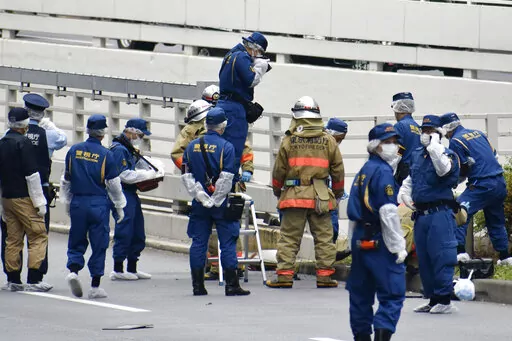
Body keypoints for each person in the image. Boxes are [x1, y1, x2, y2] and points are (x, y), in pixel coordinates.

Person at [266, 96, 345, 289]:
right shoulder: (328, 140)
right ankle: (325, 276)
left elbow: (279, 170)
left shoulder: (289, 140)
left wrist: (278, 189)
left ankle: (284, 276)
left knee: (289, 238)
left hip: (294, 195)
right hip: (320, 196)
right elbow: (338, 170)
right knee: (324, 238)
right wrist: (336, 192)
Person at [346, 123, 407, 341]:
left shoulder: (364, 170)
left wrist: (350, 242)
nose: (393, 147)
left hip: (360, 237)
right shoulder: (382, 172)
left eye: (395, 142)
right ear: (376, 146)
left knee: (360, 294)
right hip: (378, 239)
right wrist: (398, 246)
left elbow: (352, 209)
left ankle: (361, 336)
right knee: (392, 293)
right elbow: (388, 212)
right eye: (387, 142)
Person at [181, 107, 250, 296]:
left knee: (198, 243)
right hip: (222, 204)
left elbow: (186, 176)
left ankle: (197, 286)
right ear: (223, 125)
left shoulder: (191, 146)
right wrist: (215, 200)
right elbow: (227, 178)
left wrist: (201, 197)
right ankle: (231, 285)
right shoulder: (226, 147)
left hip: (199, 203)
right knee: (228, 242)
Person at [60, 115, 126, 299]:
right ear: (103, 133)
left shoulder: (74, 151)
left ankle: (73, 270)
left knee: (76, 238)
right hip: (98, 203)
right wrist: (120, 206)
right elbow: (113, 184)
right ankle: (95, 285)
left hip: (78, 201)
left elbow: (66, 179)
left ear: (87, 130)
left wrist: (67, 201)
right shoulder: (106, 155)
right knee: (99, 243)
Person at [398, 115, 460, 314]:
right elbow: (411, 178)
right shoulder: (417, 154)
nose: (426, 134)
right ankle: (432, 299)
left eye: (430, 131)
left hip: (439, 213)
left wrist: (435, 146)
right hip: (421, 215)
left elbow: (443, 170)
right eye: (423, 130)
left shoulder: (448, 154)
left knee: (441, 255)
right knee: (424, 258)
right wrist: (405, 193)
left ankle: (444, 299)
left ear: (439, 133)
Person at [440, 112, 512, 264]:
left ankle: (460, 253)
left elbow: (461, 168)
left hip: (482, 185)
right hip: (499, 182)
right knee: (495, 220)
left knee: (459, 212)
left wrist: (452, 182)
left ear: (446, 129)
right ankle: (505, 256)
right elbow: (493, 155)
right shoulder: (478, 133)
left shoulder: (456, 141)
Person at [0, 108, 51, 292]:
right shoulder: (24, 143)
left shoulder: (2, 143)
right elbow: (32, 176)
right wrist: (40, 203)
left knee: (12, 238)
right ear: (25, 125)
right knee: (38, 234)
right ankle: (34, 279)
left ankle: (13, 279)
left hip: (7, 198)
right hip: (24, 198)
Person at [110, 118, 162, 280]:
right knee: (125, 230)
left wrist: (155, 168)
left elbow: (139, 165)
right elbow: (124, 175)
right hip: (122, 192)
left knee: (137, 231)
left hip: (130, 193)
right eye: (140, 135)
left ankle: (132, 267)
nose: (141, 139)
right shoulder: (119, 149)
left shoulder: (128, 148)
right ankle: (118, 268)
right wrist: (147, 175)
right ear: (131, 132)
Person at [216, 32, 270, 182]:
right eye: (260, 52)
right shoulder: (242, 57)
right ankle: (230, 182)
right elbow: (252, 80)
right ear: (254, 47)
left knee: (221, 145)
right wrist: (260, 67)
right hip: (235, 108)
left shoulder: (230, 54)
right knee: (234, 147)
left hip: (223, 104)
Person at [325, 117, 348, 243]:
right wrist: (338, 193)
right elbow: (337, 172)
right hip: (325, 194)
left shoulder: (323, 144)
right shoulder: (330, 147)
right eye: (339, 139)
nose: (340, 142)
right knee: (331, 228)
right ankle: (328, 253)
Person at [392, 92, 421, 185]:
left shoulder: (399, 126)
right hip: (419, 173)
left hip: (405, 174)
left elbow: (397, 153)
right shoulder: (418, 127)